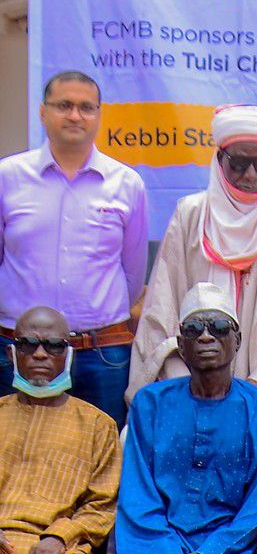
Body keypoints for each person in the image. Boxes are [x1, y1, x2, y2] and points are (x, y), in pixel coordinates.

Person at [128, 104, 257, 418]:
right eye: (240, 163)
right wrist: (188, 388)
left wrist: (256, 389)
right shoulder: (191, 216)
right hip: (191, 394)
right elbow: (162, 312)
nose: (250, 175)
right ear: (219, 161)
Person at [0, 70, 147, 428]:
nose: (75, 115)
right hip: (18, 352)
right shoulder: (7, 177)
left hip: (102, 354)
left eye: (86, 107)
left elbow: (133, 273)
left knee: (103, 457)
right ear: (42, 112)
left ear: (98, 114)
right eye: (64, 105)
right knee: (14, 459)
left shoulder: (126, 184)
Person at [117, 283, 257, 554]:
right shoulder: (150, 404)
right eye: (194, 329)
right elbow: (138, 497)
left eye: (219, 327)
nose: (206, 337)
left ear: (238, 341)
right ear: (182, 347)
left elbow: (255, 509)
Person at [0, 306, 121, 554]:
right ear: (11, 353)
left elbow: (102, 506)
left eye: (54, 345)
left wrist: (60, 538)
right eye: (28, 344)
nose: (40, 354)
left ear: (68, 355)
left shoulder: (99, 426)